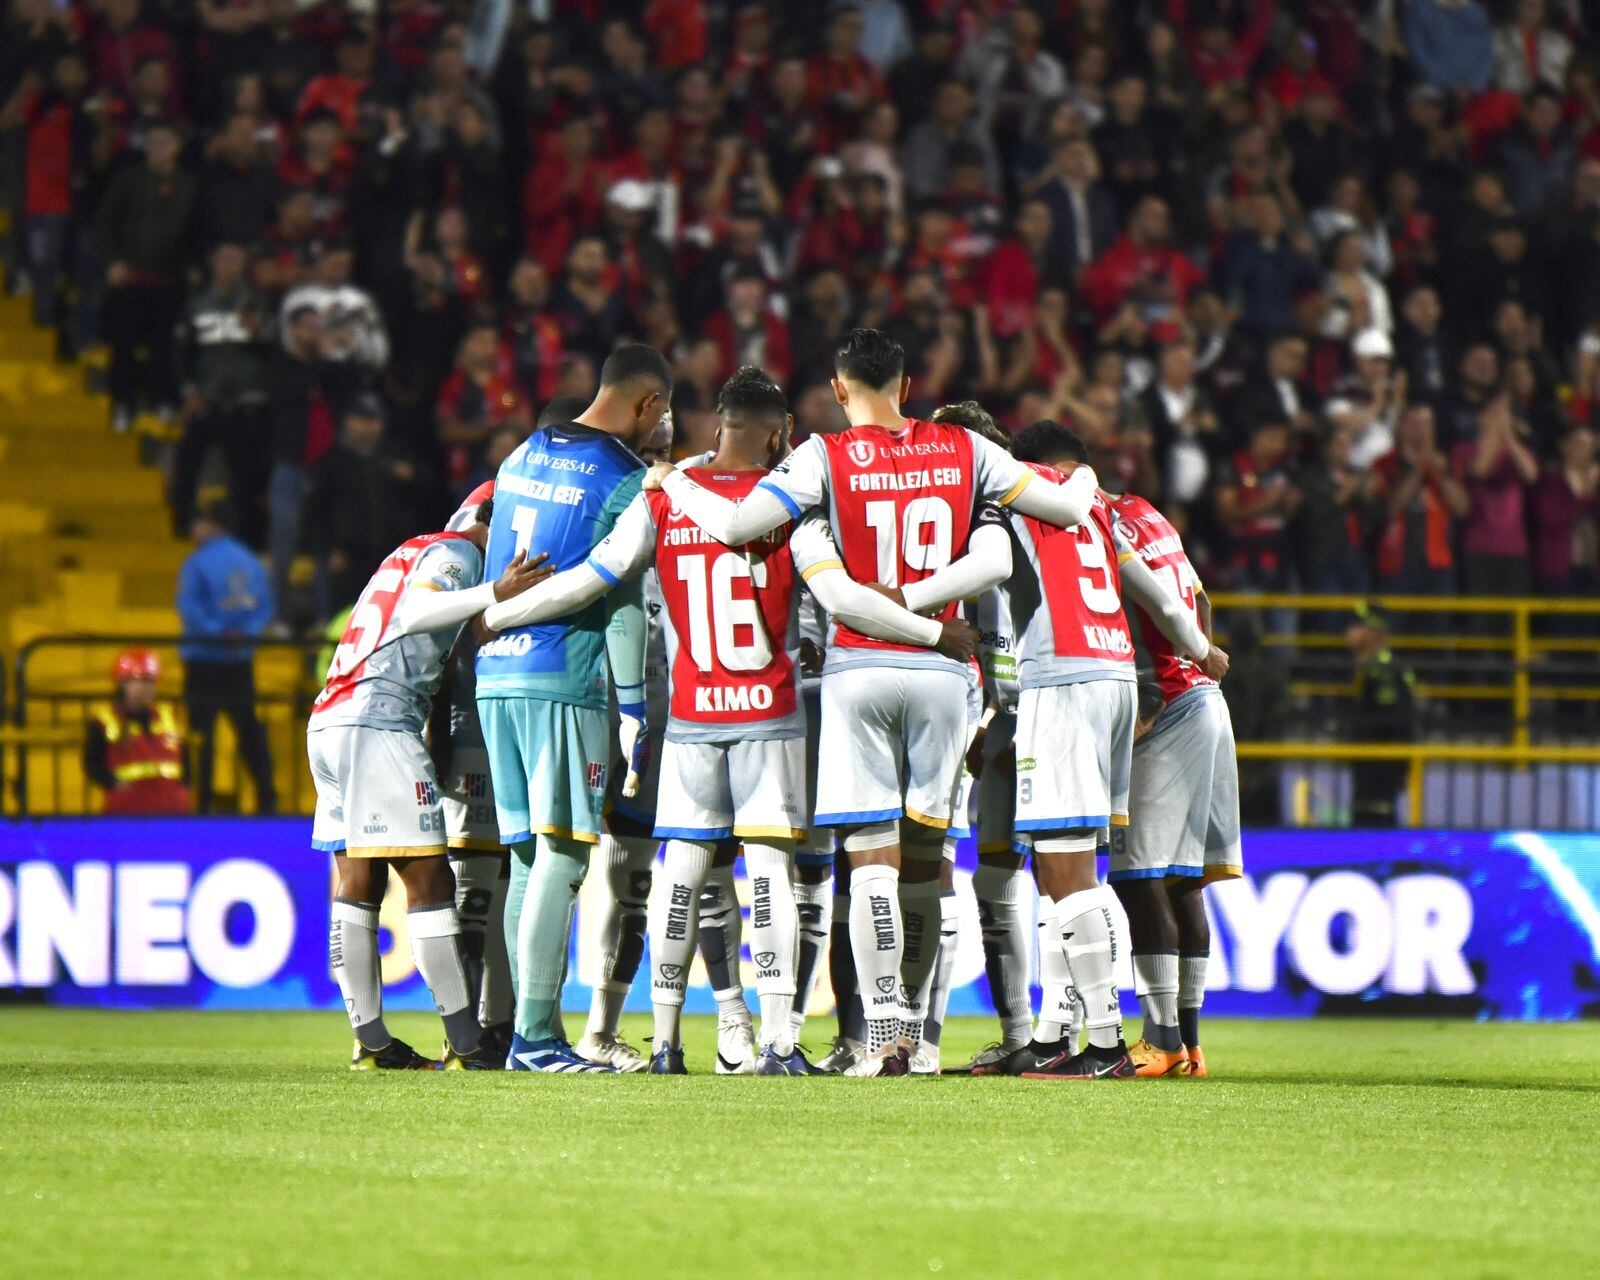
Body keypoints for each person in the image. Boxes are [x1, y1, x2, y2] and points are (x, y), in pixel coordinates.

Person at [480, 366, 977, 1075]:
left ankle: (665, 1042)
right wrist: (924, 629)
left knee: (681, 867)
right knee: (770, 866)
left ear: (718, 424)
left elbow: (593, 575)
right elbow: (840, 596)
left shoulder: (663, 498)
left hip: (690, 712)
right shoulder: (786, 507)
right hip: (768, 711)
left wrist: (498, 610)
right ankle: (777, 1041)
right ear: (778, 435)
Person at [643, 328, 1106, 1076]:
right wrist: (1081, 478)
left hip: (859, 670)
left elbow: (733, 525)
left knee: (871, 864)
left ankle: (878, 1033)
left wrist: (673, 478)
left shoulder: (821, 456)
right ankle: (919, 1041)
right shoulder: (967, 451)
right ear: (909, 383)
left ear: (836, 389)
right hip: (944, 673)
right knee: (930, 862)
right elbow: (1064, 512)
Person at [907, 420, 1223, 1080]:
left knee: (1062, 871)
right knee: (1083, 867)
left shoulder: (1014, 498)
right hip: (1116, 683)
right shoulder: (1099, 507)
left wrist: (906, 601)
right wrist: (1201, 650)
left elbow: (992, 564)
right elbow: (1160, 598)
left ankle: (1105, 1043)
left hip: (1062, 683)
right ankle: (1062, 1032)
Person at [473, 344, 670, 1073]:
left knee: (528, 855)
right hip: (565, 675)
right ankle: (536, 1038)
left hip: (496, 673)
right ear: (648, 405)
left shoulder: (522, 453)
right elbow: (621, 606)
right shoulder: (624, 482)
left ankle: (528, 1026)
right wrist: (632, 708)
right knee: (563, 854)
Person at [309, 492, 550, 1070]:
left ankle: (372, 1044)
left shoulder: (409, 551)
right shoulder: (458, 554)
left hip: (330, 718)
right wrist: (497, 591)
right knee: (430, 878)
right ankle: (467, 1047)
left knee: (357, 880)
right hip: (379, 719)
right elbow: (419, 614)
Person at [1108, 491, 1239, 1079]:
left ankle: (1158, 1041)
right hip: (1207, 697)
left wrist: (1156, 693)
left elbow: (1149, 610)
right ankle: (1189, 1046)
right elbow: (1198, 600)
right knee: (1184, 880)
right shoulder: (1148, 512)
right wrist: (1200, 654)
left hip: (1171, 704)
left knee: (1139, 876)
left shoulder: (1102, 524)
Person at [175, 503, 277, 815]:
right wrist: (244, 634)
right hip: (239, 660)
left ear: (209, 525)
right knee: (249, 731)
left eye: (197, 523)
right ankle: (267, 799)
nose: (193, 530)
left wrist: (218, 633)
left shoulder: (196, 563)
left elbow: (190, 609)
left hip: (204, 661)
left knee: (200, 736)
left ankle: (199, 803)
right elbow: (265, 608)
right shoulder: (250, 562)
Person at [84, 649, 191, 815]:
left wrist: (184, 787)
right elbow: (92, 763)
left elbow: (184, 759)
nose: (144, 688)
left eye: (150, 682)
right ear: (121, 684)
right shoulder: (105, 721)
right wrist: (112, 782)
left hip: (173, 810)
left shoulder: (168, 717)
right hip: (128, 811)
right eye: (137, 681)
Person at [1345, 605, 1418, 826]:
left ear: (1374, 632)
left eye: (1358, 626)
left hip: (1380, 770)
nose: (1349, 632)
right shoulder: (1365, 668)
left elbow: (1397, 722)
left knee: (1377, 824)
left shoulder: (1385, 670)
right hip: (1365, 767)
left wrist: (1400, 766)